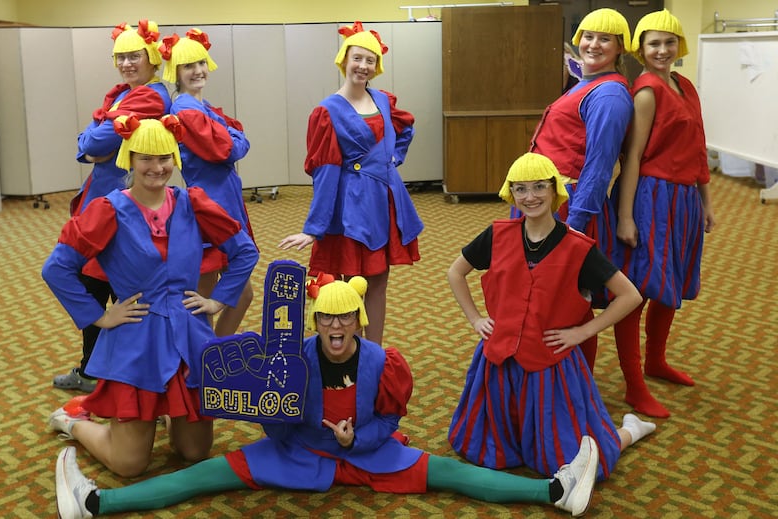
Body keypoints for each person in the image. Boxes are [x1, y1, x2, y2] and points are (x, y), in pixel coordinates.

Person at [54, 276, 602, 518]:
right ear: (315, 322)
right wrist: (274, 418)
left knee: (450, 475)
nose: (335, 325)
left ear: (358, 322)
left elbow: (388, 420)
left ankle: (554, 492)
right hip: (297, 455)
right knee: (200, 477)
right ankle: (97, 503)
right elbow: (275, 420)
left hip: (366, 455)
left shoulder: (383, 363)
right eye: (326, 318)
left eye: (345, 317)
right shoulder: (290, 361)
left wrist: (359, 436)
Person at [43, 115, 260, 478]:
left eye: (164, 158)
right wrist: (99, 316)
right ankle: (73, 422)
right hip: (136, 338)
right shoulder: (109, 209)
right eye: (145, 158)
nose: (156, 168)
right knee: (129, 465)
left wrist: (218, 300)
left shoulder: (192, 202)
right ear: (129, 158)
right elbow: (57, 268)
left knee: (194, 452)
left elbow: (244, 252)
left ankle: (167, 411)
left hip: (188, 334)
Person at [448, 153, 656, 482]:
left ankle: (629, 430)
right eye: (520, 189)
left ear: (555, 190)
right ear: (510, 193)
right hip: (500, 361)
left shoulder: (578, 247)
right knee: (489, 450)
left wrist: (582, 332)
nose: (529, 196)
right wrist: (475, 319)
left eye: (539, 187)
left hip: (551, 367)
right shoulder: (498, 234)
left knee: (570, 457)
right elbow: (456, 272)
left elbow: (629, 295)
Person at [278, 21, 424, 345]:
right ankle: (346, 351)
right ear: (344, 60)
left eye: (370, 60)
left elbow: (406, 128)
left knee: (379, 279)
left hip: (384, 200)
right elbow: (325, 172)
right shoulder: (327, 111)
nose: (363, 66)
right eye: (357, 58)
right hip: (351, 205)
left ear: (377, 66)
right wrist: (315, 227)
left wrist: (392, 160)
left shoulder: (383, 100)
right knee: (348, 282)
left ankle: (372, 350)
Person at [54, 20, 172, 393]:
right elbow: (90, 146)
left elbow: (97, 142)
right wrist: (91, 139)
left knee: (109, 285)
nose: (125, 63)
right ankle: (95, 368)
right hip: (105, 200)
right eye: (119, 56)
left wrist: (91, 137)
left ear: (151, 57)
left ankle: (107, 373)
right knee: (93, 282)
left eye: (134, 55)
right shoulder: (124, 94)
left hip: (121, 204)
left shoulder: (150, 97)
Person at [515, 8, 634, 370]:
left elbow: (599, 168)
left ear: (619, 48)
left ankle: (574, 384)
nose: (593, 44)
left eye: (605, 38)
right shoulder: (587, 84)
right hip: (545, 204)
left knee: (569, 300)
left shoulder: (610, 94)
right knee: (542, 294)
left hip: (567, 210)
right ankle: (546, 373)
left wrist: (574, 228)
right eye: (588, 35)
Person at [612, 9, 716, 419]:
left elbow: (699, 146)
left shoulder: (685, 85)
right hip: (651, 197)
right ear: (640, 48)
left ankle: (656, 360)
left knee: (670, 284)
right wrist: (625, 216)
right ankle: (633, 384)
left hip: (686, 199)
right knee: (637, 289)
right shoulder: (647, 90)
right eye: (653, 43)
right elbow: (632, 157)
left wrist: (706, 201)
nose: (661, 49)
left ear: (679, 46)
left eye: (669, 42)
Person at [159, 28, 257, 337]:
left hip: (225, 198)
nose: (198, 70)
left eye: (201, 62)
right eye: (189, 66)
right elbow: (228, 148)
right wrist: (237, 138)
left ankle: (214, 354)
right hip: (209, 204)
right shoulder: (185, 109)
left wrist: (234, 138)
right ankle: (203, 361)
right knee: (203, 293)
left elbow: (233, 142)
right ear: (176, 71)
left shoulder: (203, 105)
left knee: (239, 292)